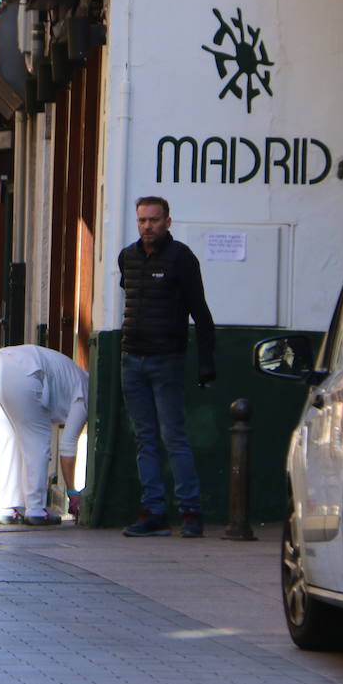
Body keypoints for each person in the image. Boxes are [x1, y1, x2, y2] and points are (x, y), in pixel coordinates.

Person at [118, 195, 216, 538]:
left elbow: (200, 312)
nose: (148, 226)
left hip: (167, 359)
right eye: (142, 220)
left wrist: (206, 363)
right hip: (132, 359)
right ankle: (154, 511)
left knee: (172, 436)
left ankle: (190, 511)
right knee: (145, 438)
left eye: (154, 220)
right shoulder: (128, 257)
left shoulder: (181, 259)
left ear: (168, 222)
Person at [0, 345, 88, 526]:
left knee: (8, 437)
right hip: (25, 371)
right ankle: (36, 509)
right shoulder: (86, 392)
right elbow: (68, 445)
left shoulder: (75, 376)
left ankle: (5, 507)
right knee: (38, 439)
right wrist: (72, 491)